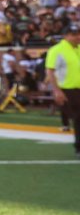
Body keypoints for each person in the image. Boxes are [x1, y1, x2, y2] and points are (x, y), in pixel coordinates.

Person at [44, 23, 80, 156]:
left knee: (78, 119)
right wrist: (56, 90)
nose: (77, 37)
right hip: (67, 89)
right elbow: (50, 71)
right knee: (78, 118)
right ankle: (78, 147)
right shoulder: (57, 50)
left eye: (78, 34)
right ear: (65, 36)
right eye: (74, 34)